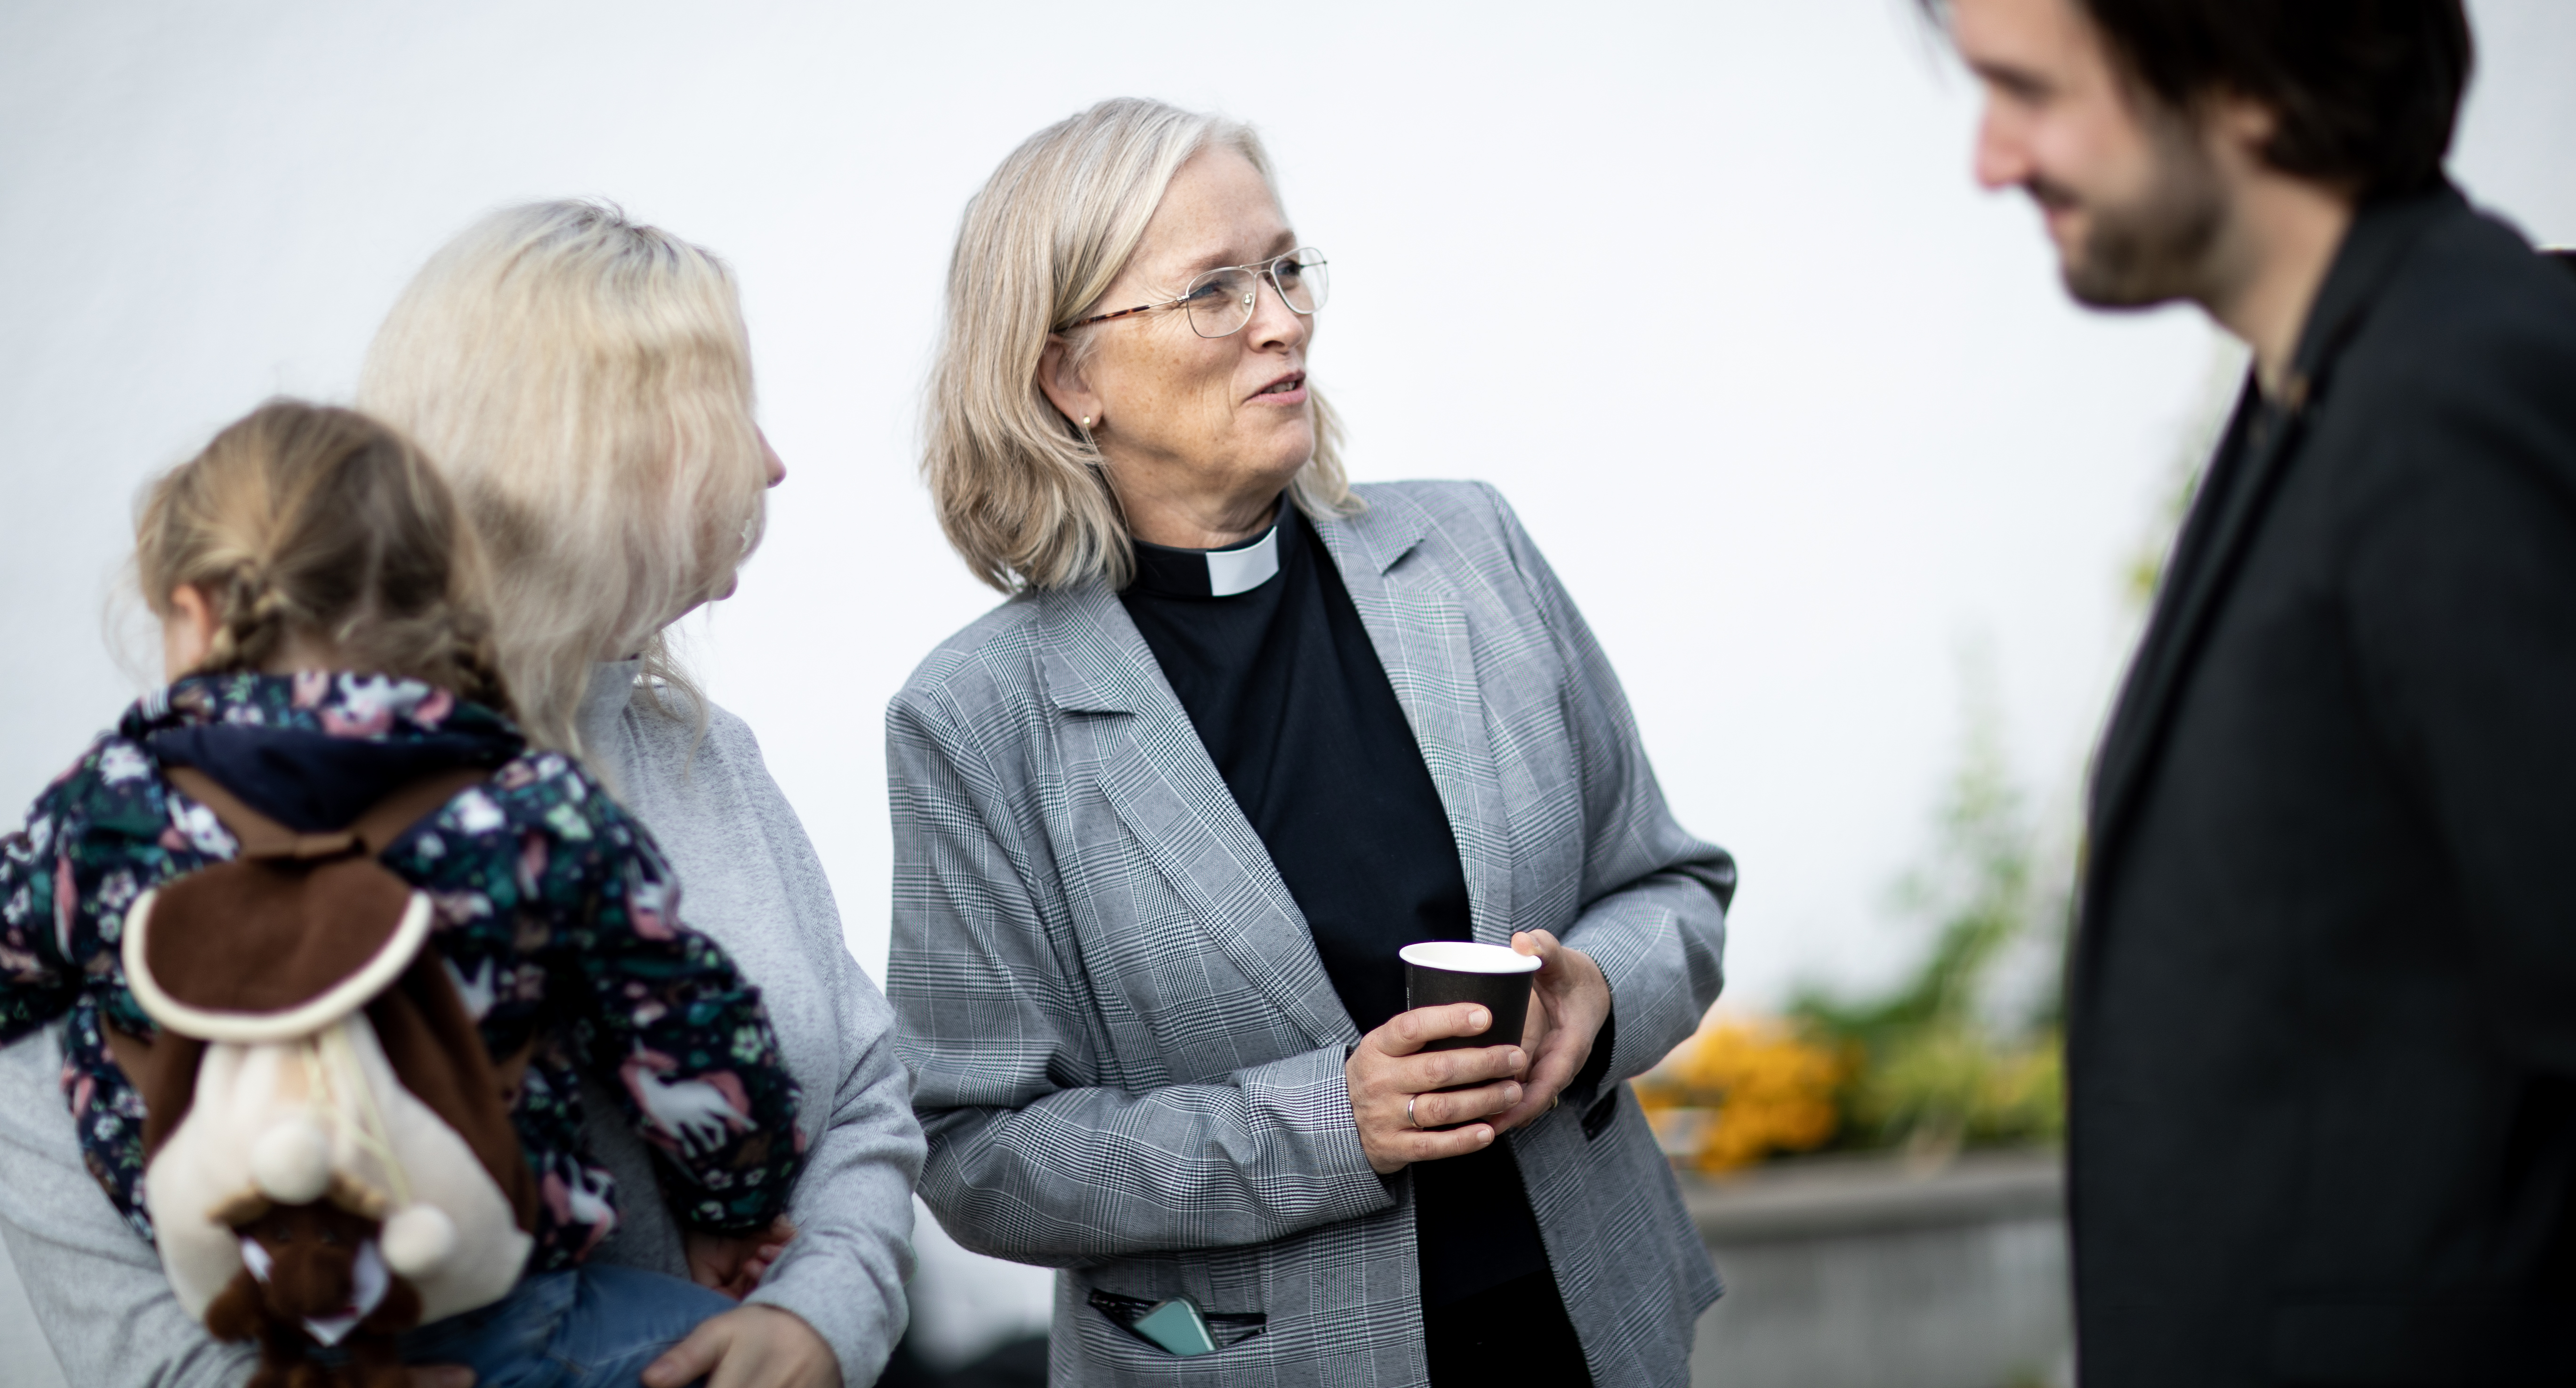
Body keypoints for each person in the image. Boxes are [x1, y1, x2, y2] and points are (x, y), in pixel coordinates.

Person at [1908, 0, 2576, 1386]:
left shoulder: (2463, 397)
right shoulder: (2318, 388)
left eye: (2028, 90)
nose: (1989, 160)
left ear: (2248, 76)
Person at [0, 202, 923, 1388]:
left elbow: (864, 1088)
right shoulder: (508, 804)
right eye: (724, 410)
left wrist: (822, 1316)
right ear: (591, 452)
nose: (770, 461)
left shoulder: (699, 753)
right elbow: (46, 1141)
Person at [888, 98, 1735, 1386]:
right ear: (1070, 378)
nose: (1283, 320)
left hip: (1592, 1333)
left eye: (1285, 269)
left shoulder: (1471, 551)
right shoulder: (976, 718)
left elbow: (1673, 887)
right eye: (1214, 291)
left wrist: (1598, 996)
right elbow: (980, 1155)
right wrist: (1326, 1124)